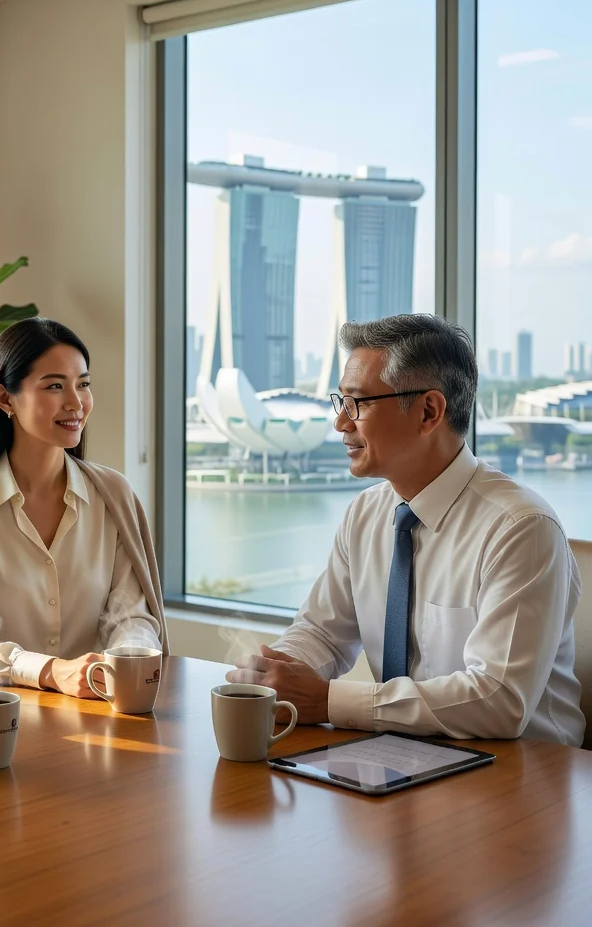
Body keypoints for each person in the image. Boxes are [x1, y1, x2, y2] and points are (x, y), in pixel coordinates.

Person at [228, 314, 584, 746]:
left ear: (429, 411)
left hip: (521, 780)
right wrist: (277, 673)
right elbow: (322, 632)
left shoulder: (520, 529)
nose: (341, 423)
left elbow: (499, 700)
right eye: (339, 401)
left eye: (357, 403)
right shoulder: (365, 515)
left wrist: (325, 701)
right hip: (399, 764)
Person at [0, 317, 167, 697]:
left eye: (83, 384)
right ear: (4, 398)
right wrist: (48, 671)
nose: (76, 403)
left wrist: (124, 662)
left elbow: (132, 614)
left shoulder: (113, 494)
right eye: (54, 387)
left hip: (99, 710)